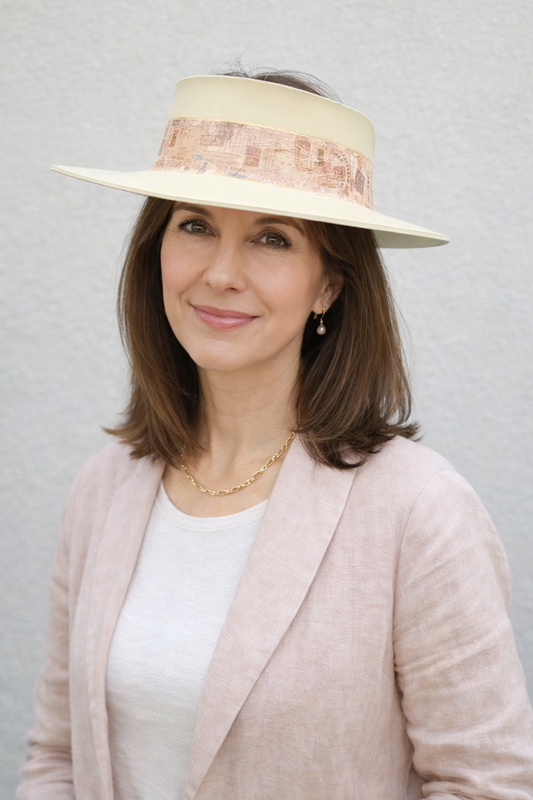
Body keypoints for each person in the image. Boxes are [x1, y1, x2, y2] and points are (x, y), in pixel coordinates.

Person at [17, 70, 533, 800]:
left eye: (271, 238)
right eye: (194, 224)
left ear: (329, 284)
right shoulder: (106, 485)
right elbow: (58, 758)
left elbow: (488, 784)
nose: (221, 273)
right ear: (155, 248)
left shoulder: (418, 509)